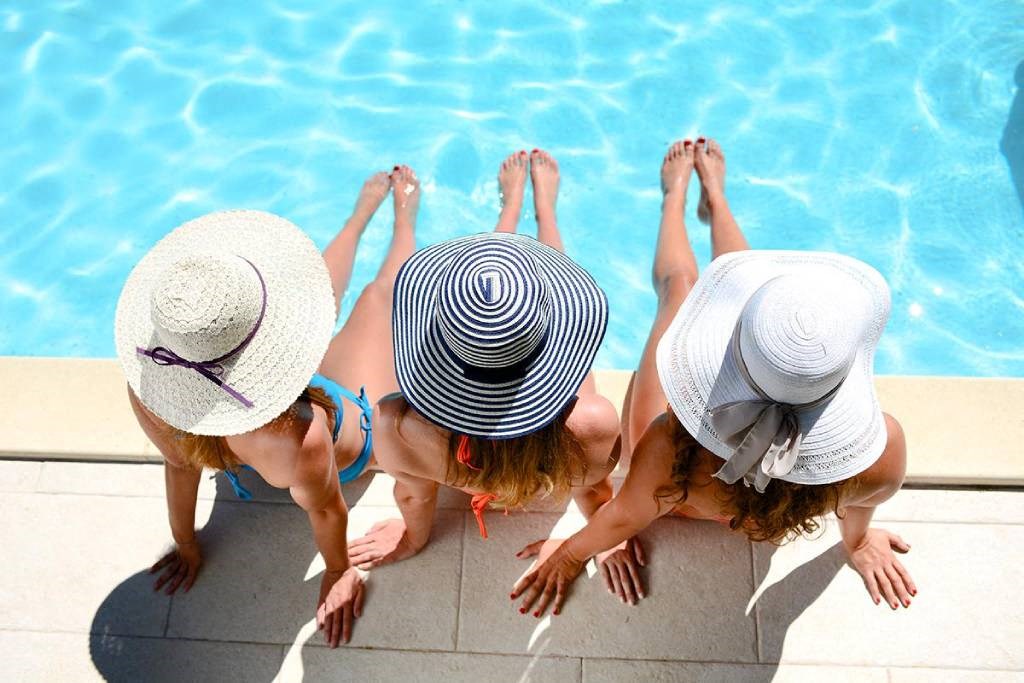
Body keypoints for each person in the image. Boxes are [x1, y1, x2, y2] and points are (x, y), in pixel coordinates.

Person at [511, 139, 915, 616]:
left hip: (687, 483)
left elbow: (623, 514)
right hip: (743, 505)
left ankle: (676, 197)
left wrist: (572, 553)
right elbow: (862, 503)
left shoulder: (670, 445)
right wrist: (859, 542)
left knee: (681, 287)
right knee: (762, 296)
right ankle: (716, 200)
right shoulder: (880, 448)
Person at [117, 166, 420, 646]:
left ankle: (371, 216)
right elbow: (324, 509)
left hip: (312, 414)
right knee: (377, 297)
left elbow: (180, 463)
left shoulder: (152, 389)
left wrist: (189, 543)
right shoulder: (291, 435)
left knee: (343, 291)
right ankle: (399, 215)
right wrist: (338, 568)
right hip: (330, 415)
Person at [348, 151, 642, 609]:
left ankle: (509, 209)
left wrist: (413, 539)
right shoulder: (593, 423)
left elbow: (415, 496)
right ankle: (543, 211)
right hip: (553, 442)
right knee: (521, 290)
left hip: (451, 451)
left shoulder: (396, 423)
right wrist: (599, 534)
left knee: (486, 287)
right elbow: (593, 489)